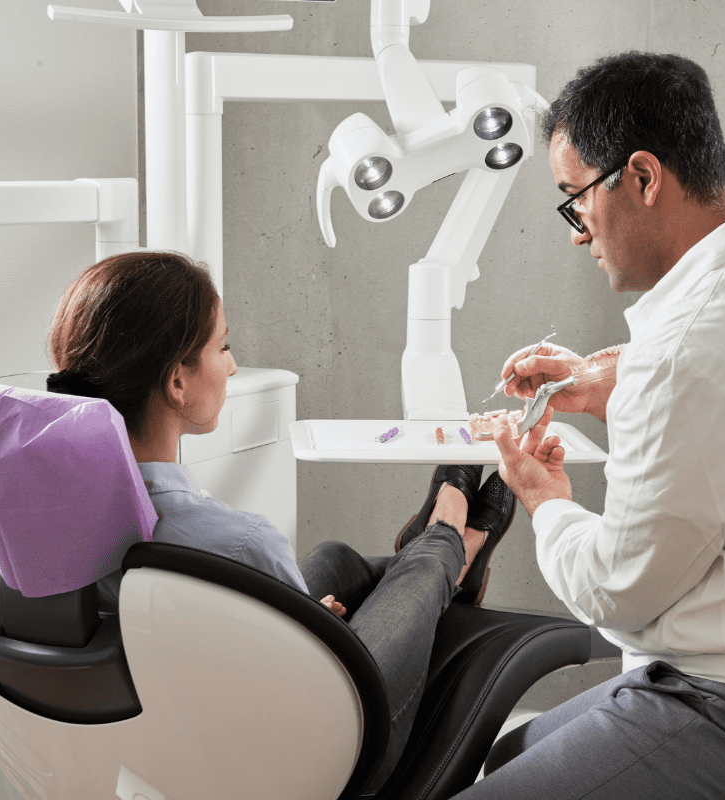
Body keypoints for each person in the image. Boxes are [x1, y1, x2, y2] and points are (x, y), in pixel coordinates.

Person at [44, 249, 524, 795]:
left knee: (335, 560)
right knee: (419, 570)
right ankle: (450, 539)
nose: (229, 364)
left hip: (178, 736)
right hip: (313, 759)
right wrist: (306, 637)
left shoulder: (42, 530)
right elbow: (308, 680)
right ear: (178, 381)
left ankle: (433, 546)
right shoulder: (235, 542)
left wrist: (290, 626)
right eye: (222, 346)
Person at [448, 52, 725, 798]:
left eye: (575, 199)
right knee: (517, 753)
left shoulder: (686, 352)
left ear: (641, 178)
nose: (577, 232)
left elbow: (617, 591)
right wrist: (624, 382)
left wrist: (543, 498)